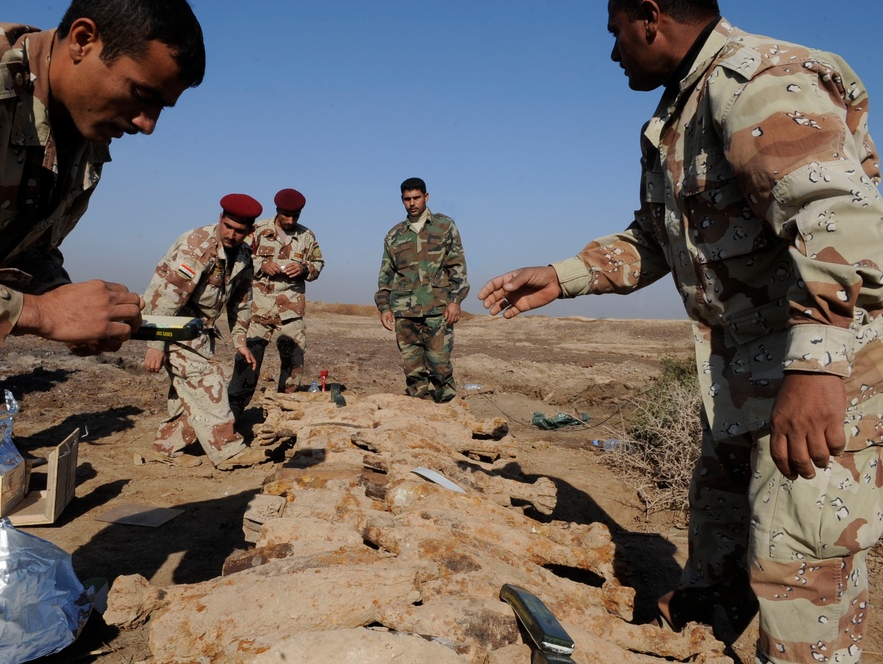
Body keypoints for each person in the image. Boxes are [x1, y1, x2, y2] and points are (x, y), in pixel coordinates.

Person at [479, 1, 883, 662]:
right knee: (718, 550)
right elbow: (661, 239)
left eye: (615, 35)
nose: (613, 54)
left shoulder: (760, 81)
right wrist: (563, 276)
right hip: (742, 385)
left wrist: (815, 370)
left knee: (804, 578)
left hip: (815, 384)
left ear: (650, 17)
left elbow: (843, 226)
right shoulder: (679, 116)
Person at [0, 2, 205, 658]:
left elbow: (13, 247)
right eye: (142, 97)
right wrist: (38, 314)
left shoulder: (78, 134)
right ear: (83, 41)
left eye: (162, 108)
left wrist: (64, 302)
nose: (147, 124)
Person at [142, 194, 270, 471]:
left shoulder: (244, 255)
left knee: (189, 390)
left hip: (197, 329)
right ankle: (229, 450)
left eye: (240, 231)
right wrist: (156, 344)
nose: (232, 235)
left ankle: (165, 448)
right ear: (221, 218)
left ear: (249, 231)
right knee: (207, 381)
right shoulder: (197, 247)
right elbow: (168, 298)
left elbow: (242, 302)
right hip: (170, 322)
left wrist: (240, 342)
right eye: (228, 227)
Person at [227, 188, 324, 416]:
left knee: (294, 363)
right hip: (258, 310)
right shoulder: (257, 230)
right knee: (248, 361)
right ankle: (233, 414)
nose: (290, 220)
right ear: (278, 210)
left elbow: (318, 264)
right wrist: (260, 264)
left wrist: (304, 268)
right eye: (286, 215)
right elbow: (237, 256)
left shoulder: (307, 236)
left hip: (290, 311)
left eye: (296, 216)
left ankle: (284, 412)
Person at [375, 178, 469, 403]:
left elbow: (457, 265)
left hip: (437, 310)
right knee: (413, 369)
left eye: (416, 198)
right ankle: (420, 413)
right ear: (402, 201)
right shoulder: (394, 235)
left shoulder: (445, 226)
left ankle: (447, 413)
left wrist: (455, 301)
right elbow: (386, 274)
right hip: (405, 312)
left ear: (426, 197)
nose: (412, 203)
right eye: (407, 199)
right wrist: (384, 307)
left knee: (439, 365)